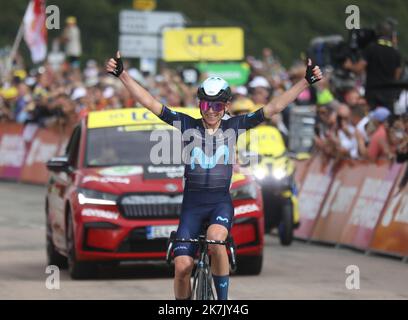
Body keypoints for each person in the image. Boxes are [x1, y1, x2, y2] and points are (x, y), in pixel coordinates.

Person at [106, 51, 322, 300]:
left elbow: (273, 107)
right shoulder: (187, 124)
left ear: (226, 106)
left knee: (216, 241)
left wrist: (305, 81)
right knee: (182, 266)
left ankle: (221, 302)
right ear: (200, 105)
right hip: (192, 206)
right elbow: (151, 103)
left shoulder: (235, 126)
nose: (211, 112)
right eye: (206, 105)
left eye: (217, 106)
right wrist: (122, 75)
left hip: (219, 202)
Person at [344, 20, 402, 112]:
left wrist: (350, 66)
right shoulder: (396, 53)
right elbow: (397, 76)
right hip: (389, 95)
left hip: (373, 93)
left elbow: (359, 69)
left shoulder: (371, 48)